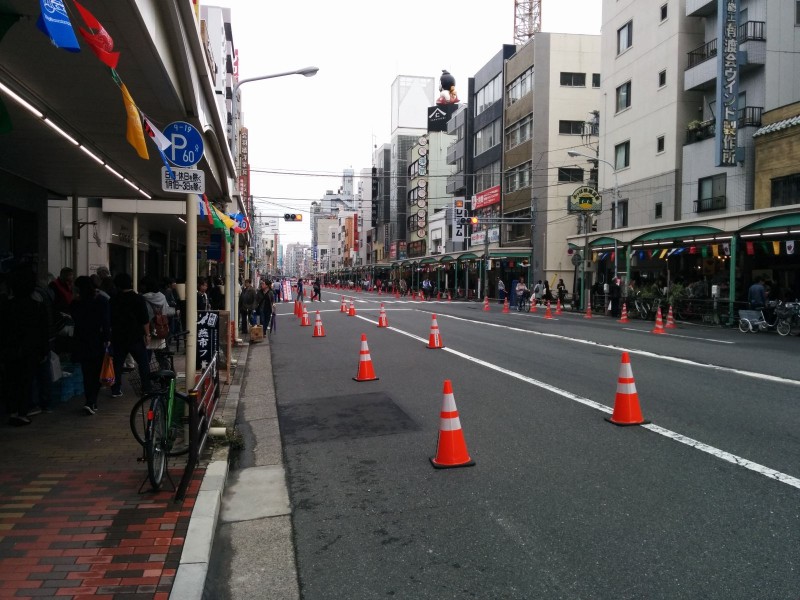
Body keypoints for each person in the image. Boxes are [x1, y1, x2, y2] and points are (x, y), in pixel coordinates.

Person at [0, 266, 50, 425]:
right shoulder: (36, 306)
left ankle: (14, 410)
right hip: (30, 351)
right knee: (26, 382)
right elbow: (43, 332)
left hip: (10, 350)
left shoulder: (6, 306)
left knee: (11, 381)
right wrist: (43, 351)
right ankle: (22, 412)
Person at [70, 276, 111, 415]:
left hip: (81, 340)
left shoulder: (76, 303)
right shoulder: (101, 300)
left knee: (87, 372)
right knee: (97, 371)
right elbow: (106, 322)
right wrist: (107, 338)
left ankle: (90, 400)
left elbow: (74, 318)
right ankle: (92, 401)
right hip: (97, 340)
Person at [110, 273, 151, 398]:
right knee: (143, 363)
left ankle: (116, 389)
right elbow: (144, 319)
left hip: (118, 336)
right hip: (135, 336)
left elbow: (110, 318)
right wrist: (147, 334)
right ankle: (146, 388)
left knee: (117, 364)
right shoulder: (138, 298)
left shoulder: (114, 299)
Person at [140, 276, 176, 351]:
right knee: (161, 355)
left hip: (147, 330)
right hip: (161, 328)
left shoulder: (142, 298)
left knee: (147, 355)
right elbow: (166, 311)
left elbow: (144, 315)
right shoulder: (162, 296)